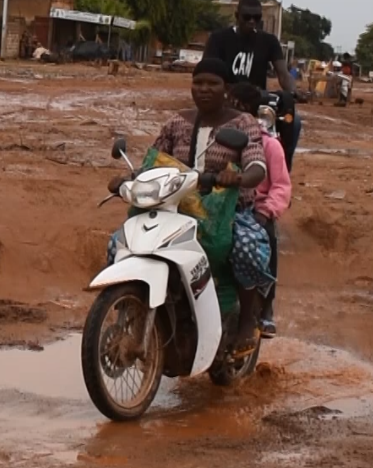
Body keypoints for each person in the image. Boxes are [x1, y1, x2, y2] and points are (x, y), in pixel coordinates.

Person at [113, 58, 273, 356]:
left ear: (226, 88)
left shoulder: (243, 123)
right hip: (174, 208)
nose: (204, 89)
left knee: (246, 248)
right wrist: (127, 178)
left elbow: (257, 165)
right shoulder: (177, 122)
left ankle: (247, 321)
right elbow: (153, 160)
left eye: (212, 83)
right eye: (198, 83)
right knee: (119, 243)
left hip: (226, 211)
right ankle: (130, 311)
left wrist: (237, 177)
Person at [204, 0, 298, 167]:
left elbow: (283, 73)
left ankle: (283, 168)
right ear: (236, 16)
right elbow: (208, 70)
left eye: (257, 18)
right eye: (247, 17)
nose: (252, 21)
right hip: (226, 97)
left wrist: (292, 91)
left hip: (258, 99)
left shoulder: (269, 41)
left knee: (293, 122)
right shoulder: (219, 39)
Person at [230, 83, 292, 338]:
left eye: (233, 104)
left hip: (257, 208)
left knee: (266, 237)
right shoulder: (217, 138)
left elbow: (281, 187)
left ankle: (265, 306)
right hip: (222, 206)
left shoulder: (270, 146)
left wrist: (265, 212)